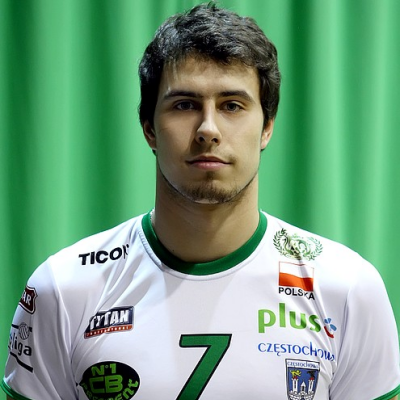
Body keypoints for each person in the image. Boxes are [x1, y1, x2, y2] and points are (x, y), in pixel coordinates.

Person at [2, 3, 399, 399]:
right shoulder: (62, 290)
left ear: (267, 127)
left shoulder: (348, 290)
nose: (208, 129)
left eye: (232, 105)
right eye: (185, 105)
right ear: (149, 128)